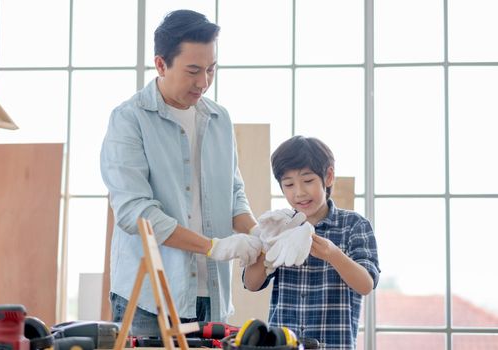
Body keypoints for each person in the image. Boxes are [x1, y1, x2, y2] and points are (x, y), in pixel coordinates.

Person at [100, 9, 262, 336]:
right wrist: (215, 247)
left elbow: (233, 195)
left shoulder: (219, 119)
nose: (203, 82)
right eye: (193, 71)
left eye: (211, 69)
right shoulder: (129, 120)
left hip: (212, 296)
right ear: (161, 64)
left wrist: (260, 235)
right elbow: (136, 213)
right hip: (149, 299)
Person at [243, 136, 380, 349]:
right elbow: (251, 284)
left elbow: (366, 284)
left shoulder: (354, 225)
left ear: (328, 176)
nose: (299, 192)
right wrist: (267, 248)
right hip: (283, 344)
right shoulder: (279, 225)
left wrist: (333, 254)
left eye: (307, 181)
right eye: (289, 184)